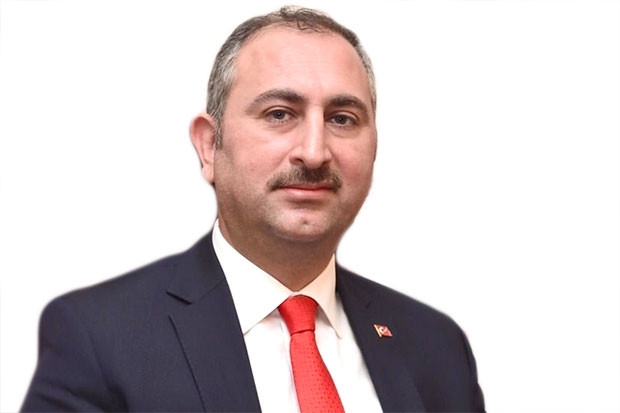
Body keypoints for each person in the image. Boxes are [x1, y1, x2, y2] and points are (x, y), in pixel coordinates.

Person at [21, 6, 484, 412]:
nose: (314, 152)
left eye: (342, 119)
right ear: (209, 146)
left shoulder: (437, 347)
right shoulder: (98, 339)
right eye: (280, 114)